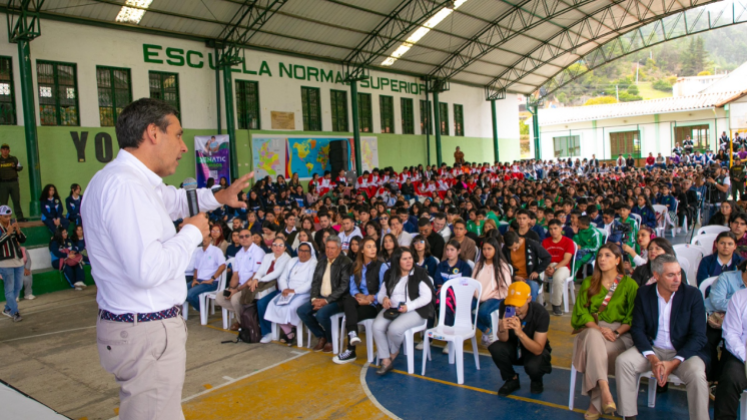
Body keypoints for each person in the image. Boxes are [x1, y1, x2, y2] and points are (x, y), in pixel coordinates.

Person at [82, 98, 252, 420]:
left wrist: (218, 197)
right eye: (178, 135)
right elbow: (147, 270)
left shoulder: (126, 180)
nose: (184, 147)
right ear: (153, 133)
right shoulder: (126, 187)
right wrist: (190, 233)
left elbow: (174, 200)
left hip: (138, 327)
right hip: (146, 331)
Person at [615, 254, 709, 420]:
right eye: (670, 275)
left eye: (679, 273)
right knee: (624, 362)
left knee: (697, 374)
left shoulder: (692, 295)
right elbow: (638, 330)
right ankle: (628, 416)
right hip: (653, 350)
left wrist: (673, 362)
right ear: (656, 276)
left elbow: (699, 336)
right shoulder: (644, 294)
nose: (677, 279)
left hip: (684, 353)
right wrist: (653, 359)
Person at [571, 244, 638, 419]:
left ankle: (596, 402)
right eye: (600, 255)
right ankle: (605, 390)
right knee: (593, 337)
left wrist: (615, 333)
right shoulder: (588, 282)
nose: (602, 259)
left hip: (620, 333)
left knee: (596, 352)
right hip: (592, 329)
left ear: (617, 260)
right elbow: (581, 313)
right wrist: (600, 329)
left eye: (608, 255)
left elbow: (633, 317)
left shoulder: (629, 284)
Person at [373, 247, 434, 375]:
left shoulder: (419, 273)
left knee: (394, 329)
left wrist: (409, 307)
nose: (409, 261)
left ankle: (393, 352)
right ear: (397, 261)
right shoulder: (390, 274)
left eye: (410, 258)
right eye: (404, 259)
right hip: (393, 309)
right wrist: (384, 299)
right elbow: (381, 294)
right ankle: (385, 359)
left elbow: (427, 297)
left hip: (416, 310)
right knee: (377, 326)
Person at [488, 281, 552, 396]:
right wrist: (502, 329)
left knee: (534, 365)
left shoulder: (540, 313)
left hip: (533, 350)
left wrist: (520, 333)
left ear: (529, 299)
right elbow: (503, 339)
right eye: (512, 304)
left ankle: (536, 380)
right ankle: (511, 379)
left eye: (519, 304)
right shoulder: (507, 307)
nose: (515, 308)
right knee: (496, 347)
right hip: (514, 346)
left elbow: (538, 349)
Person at [296, 235, 352, 353]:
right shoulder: (322, 262)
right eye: (327, 247)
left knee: (322, 314)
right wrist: (314, 299)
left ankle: (331, 340)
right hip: (321, 297)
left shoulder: (346, 262)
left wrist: (326, 301)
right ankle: (322, 336)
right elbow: (315, 283)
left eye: (332, 248)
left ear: (339, 248)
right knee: (301, 311)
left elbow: (344, 287)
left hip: (338, 299)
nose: (329, 251)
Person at [334, 237, 383, 364]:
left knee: (351, 315)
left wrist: (371, 299)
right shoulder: (356, 266)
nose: (373, 249)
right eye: (369, 247)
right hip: (360, 299)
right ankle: (353, 335)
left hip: (374, 305)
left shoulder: (381, 266)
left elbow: (385, 289)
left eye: (374, 246)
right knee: (349, 301)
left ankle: (351, 349)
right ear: (362, 250)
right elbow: (352, 287)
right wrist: (359, 295)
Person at [264, 242, 318, 346]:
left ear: (310, 252)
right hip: (287, 291)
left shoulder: (313, 263)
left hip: (303, 294)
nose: (303, 253)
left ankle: (290, 331)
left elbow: (310, 283)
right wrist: (285, 288)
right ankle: (289, 331)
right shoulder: (292, 261)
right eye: (301, 250)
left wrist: (295, 291)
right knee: (272, 305)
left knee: (289, 308)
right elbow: (283, 277)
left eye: (306, 251)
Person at [214, 228, 266, 331]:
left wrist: (236, 290)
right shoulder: (239, 254)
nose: (244, 238)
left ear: (252, 238)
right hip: (240, 285)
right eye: (241, 237)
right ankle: (245, 318)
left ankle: (241, 323)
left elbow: (254, 276)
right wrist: (231, 288)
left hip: (253, 285)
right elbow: (235, 275)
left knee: (235, 299)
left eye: (247, 236)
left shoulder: (258, 252)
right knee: (220, 297)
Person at [714, 286, 747, 419]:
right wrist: (745, 358)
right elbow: (731, 334)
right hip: (743, 356)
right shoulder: (739, 297)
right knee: (730, 378)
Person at [472, 237, 512, 346]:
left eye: (489, 248)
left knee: (483, 312)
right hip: (478, 296)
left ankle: (493, 331)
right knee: (461, 309)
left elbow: (506, 287)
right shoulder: (479, 265)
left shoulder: (501, 266)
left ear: (496, 249)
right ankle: (487, 330)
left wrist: (495, 295)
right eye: (484, 249)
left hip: (495, 296)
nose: (486, 252)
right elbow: (473, 282)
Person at [503, 231, 551, 300]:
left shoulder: (531, 244)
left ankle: (529, 308)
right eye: (511, 249)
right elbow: (503, 265)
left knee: (532, 286)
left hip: (530, 278)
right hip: (513, 278)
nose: (513, 250)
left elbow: (547, 257)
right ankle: (511, 309)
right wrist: (514, 276)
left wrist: (537, 271)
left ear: (519, 239)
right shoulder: (505, 249)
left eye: (516, 247)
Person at [542, 219, 575, 315]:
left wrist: (554, 268)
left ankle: (556, 305)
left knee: (558, 277)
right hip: (549, 266)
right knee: (536, 275)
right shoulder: (545, 242)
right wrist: (546, 268)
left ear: (561, 229)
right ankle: (542, 302)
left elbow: (566, 260)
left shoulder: (568, 242)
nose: (553, 231)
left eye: (555, 228)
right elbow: (543, 258)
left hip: (563, 266)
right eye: (551, 229)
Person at [186, 236, 227, 311]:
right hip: (199, 280)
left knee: (190, 294)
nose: (204, 239)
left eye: (206, 237)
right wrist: (194, 279)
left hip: (212, 282)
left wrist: (212, 279)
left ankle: (203, 310)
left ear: (210, 238)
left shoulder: (216, 251)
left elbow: (223, 266)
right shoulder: (199, 252)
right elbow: (196, 269)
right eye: (202, 238)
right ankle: (203, 309)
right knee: (182, 292)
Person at [0, 205, 25, 321]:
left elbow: (23, 240)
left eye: (9, 216)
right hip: (5, 263)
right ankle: (15, 312)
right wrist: (8, 233)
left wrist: (18, 230)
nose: (8, 218)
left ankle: (7, 308)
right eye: (5, 216)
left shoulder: (12, 225)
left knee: (18, 286)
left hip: (18, 261)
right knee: (9, 289)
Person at [49, 226, 86, 291]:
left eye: (66, 232)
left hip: (70, 259)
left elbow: (74, 248)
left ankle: (79, 281)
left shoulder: (68, 240)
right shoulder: (54, 242)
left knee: (78, 264)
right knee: (66, 266)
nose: (65, 234)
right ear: (59, 234)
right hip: (57, 260)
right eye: (63, 233)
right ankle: (73, 283)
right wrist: (67, 255)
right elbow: (56, 253)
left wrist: (73, 252)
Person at [0, 144, 24, 221]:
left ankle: (20, 218)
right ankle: (3, 219)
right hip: (3, 183)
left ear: (9, 151)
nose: (5, 151)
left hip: (13, 182)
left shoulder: (13, 159)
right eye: (3, 149)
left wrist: (16, 167)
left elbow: (20, 167)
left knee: (16, 200)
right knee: (3, 202)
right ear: (1, 151)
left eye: (7, 149)